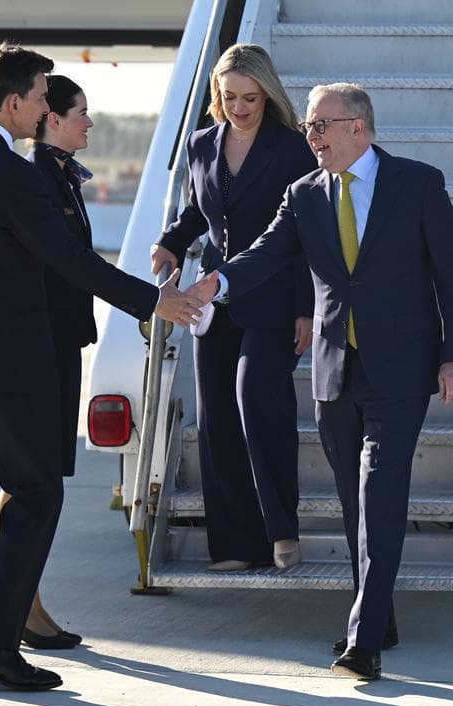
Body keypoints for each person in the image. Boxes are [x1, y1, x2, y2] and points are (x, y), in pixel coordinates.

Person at [0, 44, 202, 692]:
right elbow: (71, 261)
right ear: (14, 102)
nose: (46, 108)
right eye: (43, 97)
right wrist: (156, 300)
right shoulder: (8, 173)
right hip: (12, 364)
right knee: (37, 494)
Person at [189, 83, 453, 681]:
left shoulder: (417, 183)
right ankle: (382, 614)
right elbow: (264, 255)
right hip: (334, 369)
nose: (312, 137)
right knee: (354, 502)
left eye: (322, 126)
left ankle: (363, 639)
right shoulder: (303, 195)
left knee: (381, 492)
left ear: (359, 128)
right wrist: (214, 284)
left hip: (400, 369)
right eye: (309, 129)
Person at [149, 44, 316, 572]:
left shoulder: (292, 148)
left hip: (275, 296)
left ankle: (280, 531)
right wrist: (171, 240)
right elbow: (201, 209)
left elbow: (308, 236)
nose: (240, 107)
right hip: (213, 303)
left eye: (250, 97)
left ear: (266, 93)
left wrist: (306, 309)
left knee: (257, 403)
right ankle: (236, 545)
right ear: (217, 96)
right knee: (217, 420)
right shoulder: (202, 143)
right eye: (230, 97)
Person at [0, 75, 96, 653]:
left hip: (59, 342)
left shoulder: (56, 175)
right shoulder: (35, 178)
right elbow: (66, 261)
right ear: (51, 118)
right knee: (32, 482)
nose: (88, 123)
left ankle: (28, 600)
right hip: (41, 345)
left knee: (43, 480)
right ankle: (20, 606)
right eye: (80, 112)